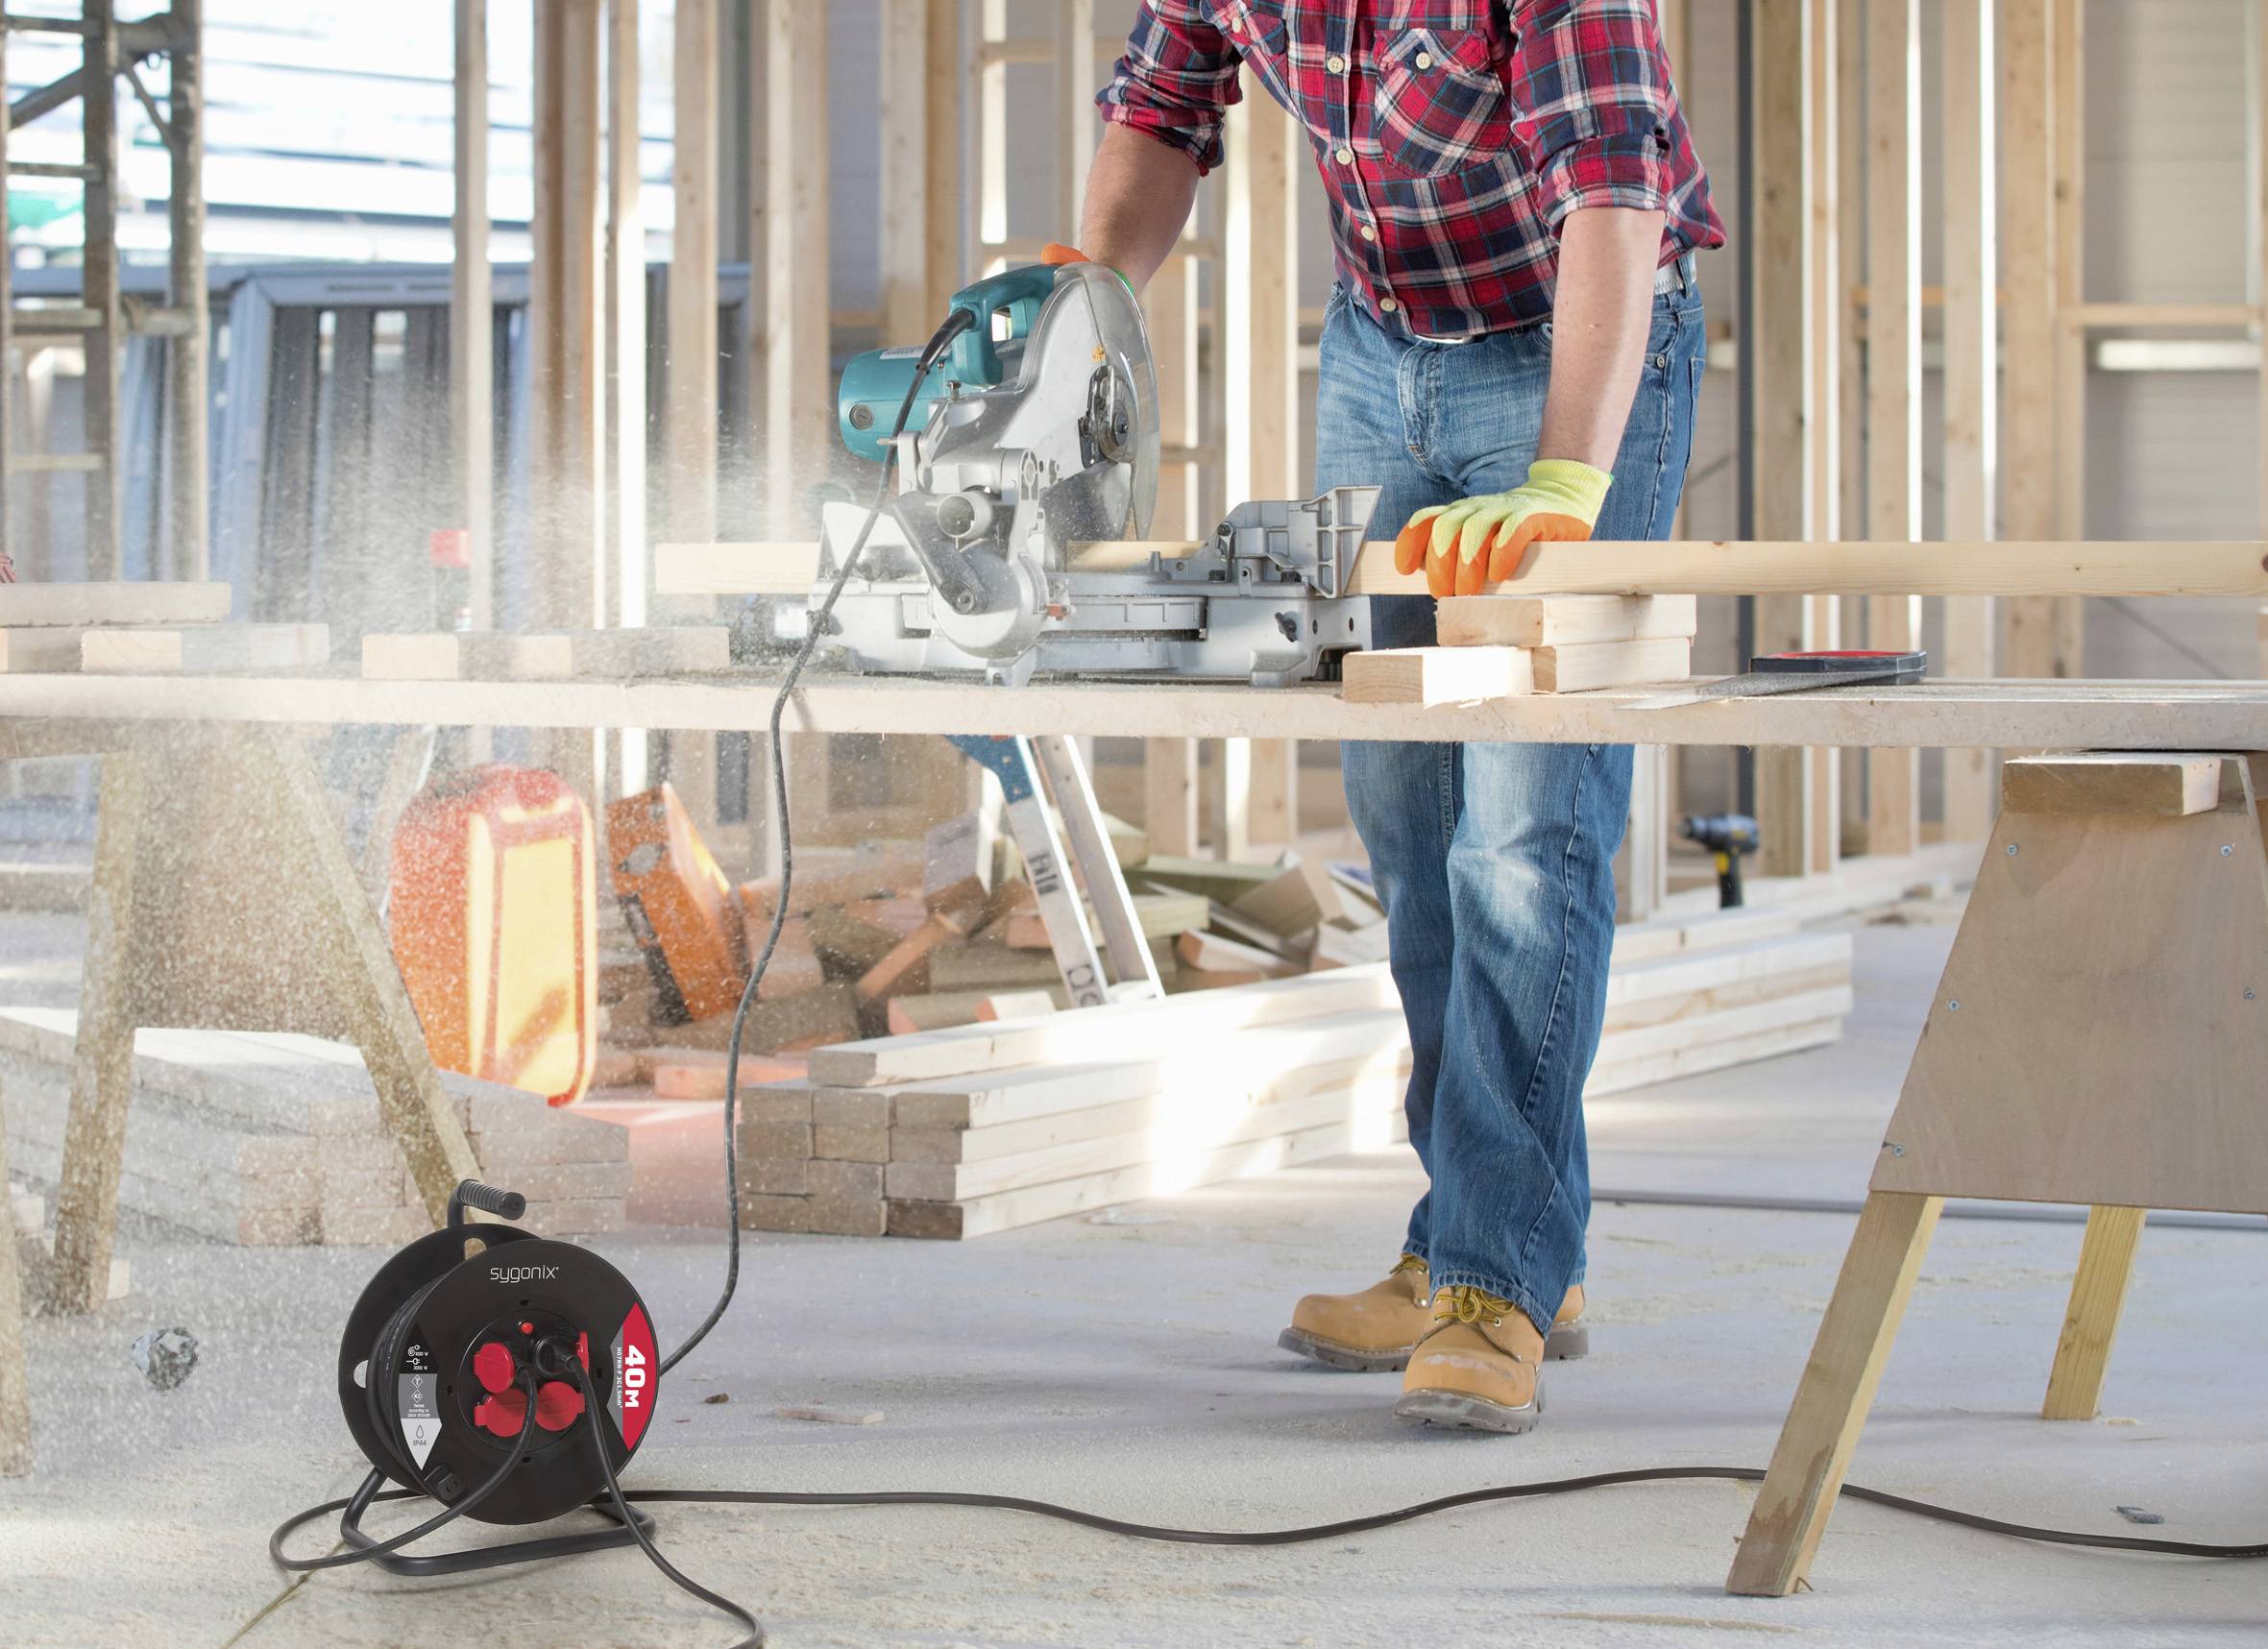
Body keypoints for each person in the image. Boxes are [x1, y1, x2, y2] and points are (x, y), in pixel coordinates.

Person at [1071, 2, 1722, 1433]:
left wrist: (1565, 479)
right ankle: (1470, 1240)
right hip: (1380, 352)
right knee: (1408, 822)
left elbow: (1614, 179)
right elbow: (1163, 101)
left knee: (1522, 826)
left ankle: (1494, 1278)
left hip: (1573, 336)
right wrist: (1080, 313)